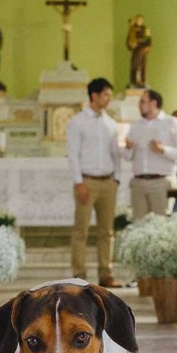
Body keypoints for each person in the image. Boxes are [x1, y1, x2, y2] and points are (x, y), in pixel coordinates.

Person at [67, 78, 121, 287]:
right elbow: (72, 154)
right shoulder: (77, 122)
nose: (109, 98)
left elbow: (115, 153)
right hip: (87, 181)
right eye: (106, 94)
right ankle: (79, 274)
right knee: (81, 230)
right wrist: (78, 182)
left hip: (108, 181)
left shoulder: (110, 122)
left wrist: (117, 178)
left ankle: (105, 273)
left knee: (106, 231)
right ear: (94, 96)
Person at [123, 89, 177, 220]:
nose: (139, 105)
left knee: (160, 225)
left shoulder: (172, 123)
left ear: (154, 103)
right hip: (139, 182)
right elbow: (127, 156)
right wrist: (128, 148)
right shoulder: (135, 126)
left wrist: (163, 150)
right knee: (139, 226)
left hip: (161, 182)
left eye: (143, 102)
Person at [126, 15, 152, 89]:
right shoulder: (132, 29)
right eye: (137, 20)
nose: (139, 21)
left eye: (140, 20)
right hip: (136, 51)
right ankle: (134, 81)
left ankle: (143, 81)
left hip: (143, 51)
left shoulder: (145, 29)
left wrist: (148, 46)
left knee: (143, 66)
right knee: (135, 66)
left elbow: (148, 39)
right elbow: (130, 40)